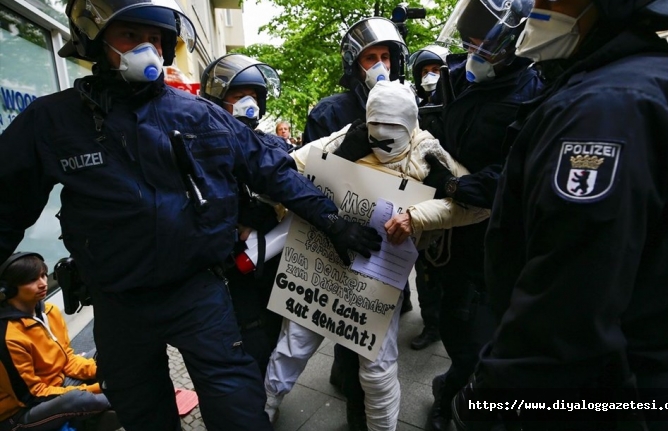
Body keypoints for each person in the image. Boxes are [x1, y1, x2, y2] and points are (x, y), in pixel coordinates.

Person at [0, 1, 382, 430]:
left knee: (238, 406)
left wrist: (331, 221)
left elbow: (272, 170)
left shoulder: (199, 114)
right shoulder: (52, 121)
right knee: (142, 410)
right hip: (117, 300)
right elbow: (6, 202)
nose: (145, 47)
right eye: (130, 36)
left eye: (155, 39)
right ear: (95, 37)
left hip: (197, 291)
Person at [451, 0, 668, 430]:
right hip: (636, 377)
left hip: (589, 392)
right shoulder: (644, 84)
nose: (537, 9)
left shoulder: (607, 106)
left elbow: (569, 299)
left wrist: (489, 399)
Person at [264, 80, 490, 431]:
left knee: (376, 367)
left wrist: (419, 216)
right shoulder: (347, 137)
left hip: (378, 278)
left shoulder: (427, 152)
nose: (382, 141)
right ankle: (263, 409)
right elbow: (287, 170)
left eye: (392, 134)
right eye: (375, 133)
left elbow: (478, 207)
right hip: (321, 263)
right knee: (292, 347)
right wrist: (336, 161)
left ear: (410, 127)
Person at [416, 1, 543, 430]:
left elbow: (513, 174)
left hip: (496, 233)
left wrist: (454, 184)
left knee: (480, 337)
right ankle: (454, 383)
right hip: (452, 235)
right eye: (467, 40)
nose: (472, 50)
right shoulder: (455, 79)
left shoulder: (533, 90)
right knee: (456, 325)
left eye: (481, 43)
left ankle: (455, 398)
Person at [299, 17, 412, 429]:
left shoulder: (405, 110)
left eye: (386, 57)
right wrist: (348, 150)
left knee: (376, 343)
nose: (380, 64)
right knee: (347, 336)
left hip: (386, 244)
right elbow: (307, 178)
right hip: (338, 238)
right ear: (355, 64)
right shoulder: (330, 112)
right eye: (371, 57)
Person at [200, 53, 292, 376]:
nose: (248, 104)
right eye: (238, 97)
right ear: (217, 101)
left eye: (253, 96)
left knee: (275, 330)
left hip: (273, 263)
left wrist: (257, 216)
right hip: (231, 269)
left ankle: (268, 395)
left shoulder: (274, 145)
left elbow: (290, 190)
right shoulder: (204, 148)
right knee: (249, 337)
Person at [0, 252, 119, 431]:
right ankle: (120, 401)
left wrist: (104, 371)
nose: (43, 283)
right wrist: (98, 388)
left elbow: (67, 360)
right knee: (79, 400)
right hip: (18, 413)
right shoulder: (7, 337)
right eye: (32, 280)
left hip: (55, 384)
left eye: (42, 275)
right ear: (9, 290)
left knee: (106, 354)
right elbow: (31, 396)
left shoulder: (49, 310)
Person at [405, 44, 452, 353]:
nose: (430, 76)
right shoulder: (411, 109)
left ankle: (450, 323)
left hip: (450, 199)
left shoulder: (456, 106)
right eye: (424, 71)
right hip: (421, 199)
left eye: (436, 70)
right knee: (425, 267)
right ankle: (432, 322)